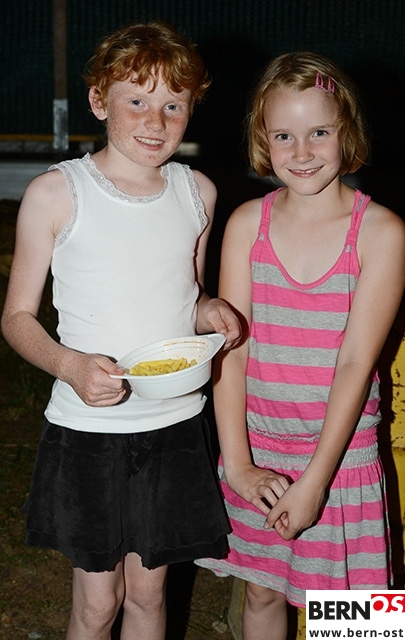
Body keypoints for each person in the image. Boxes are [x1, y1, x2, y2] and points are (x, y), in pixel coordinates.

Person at [1, 22, 241, 640]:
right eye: (137, 101)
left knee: (150, 595)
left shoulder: (198, 192)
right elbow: (17, 317)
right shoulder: (57, 193)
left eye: (173, 106)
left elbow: (188, 295)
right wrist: (70, 366)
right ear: (98, 100)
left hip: (176, 424)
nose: (155, 121)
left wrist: (210, 310)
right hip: (89, 430)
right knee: (97, 604)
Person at [196, 51, 405, 640]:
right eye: (284, 136)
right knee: (262, 593)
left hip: (339, 460)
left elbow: (356, 362)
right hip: (259, 451)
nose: (302, 151)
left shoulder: (381, 232)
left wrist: (316, 481)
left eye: (319, 132)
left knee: (353, 616)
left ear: (347, 132)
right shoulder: (247, 224)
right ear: (263, 139)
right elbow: (232, 351)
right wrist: (239, 464)